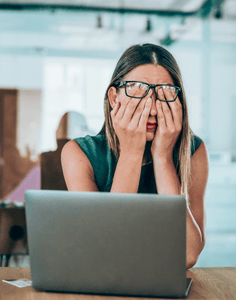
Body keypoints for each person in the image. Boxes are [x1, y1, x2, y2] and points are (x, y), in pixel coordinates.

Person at [61, 43, 209, 269]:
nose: (151, 109)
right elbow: (104, 251)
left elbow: (187, 255)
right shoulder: (79, 153)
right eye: (137, 89)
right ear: (114, 97)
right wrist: (131, 152)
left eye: (164, 93)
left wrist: (162, 157)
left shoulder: (194, 152)